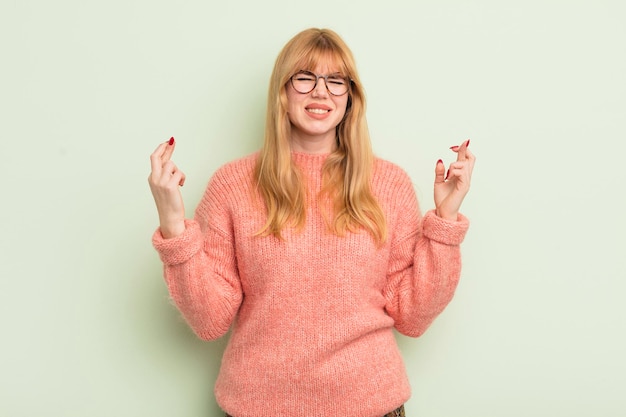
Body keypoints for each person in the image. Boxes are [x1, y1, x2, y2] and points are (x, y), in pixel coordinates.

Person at [148, 28, 475, 417]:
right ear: (282, 93)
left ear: (351, 97)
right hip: (259, 408)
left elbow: (414, 317)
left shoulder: (388, 185)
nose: (321, 92)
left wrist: (445, 221)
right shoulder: (232, 186)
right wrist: (173, 226)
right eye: (305, 78)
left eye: (336, 81)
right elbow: (209, 321)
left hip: (372, 407)